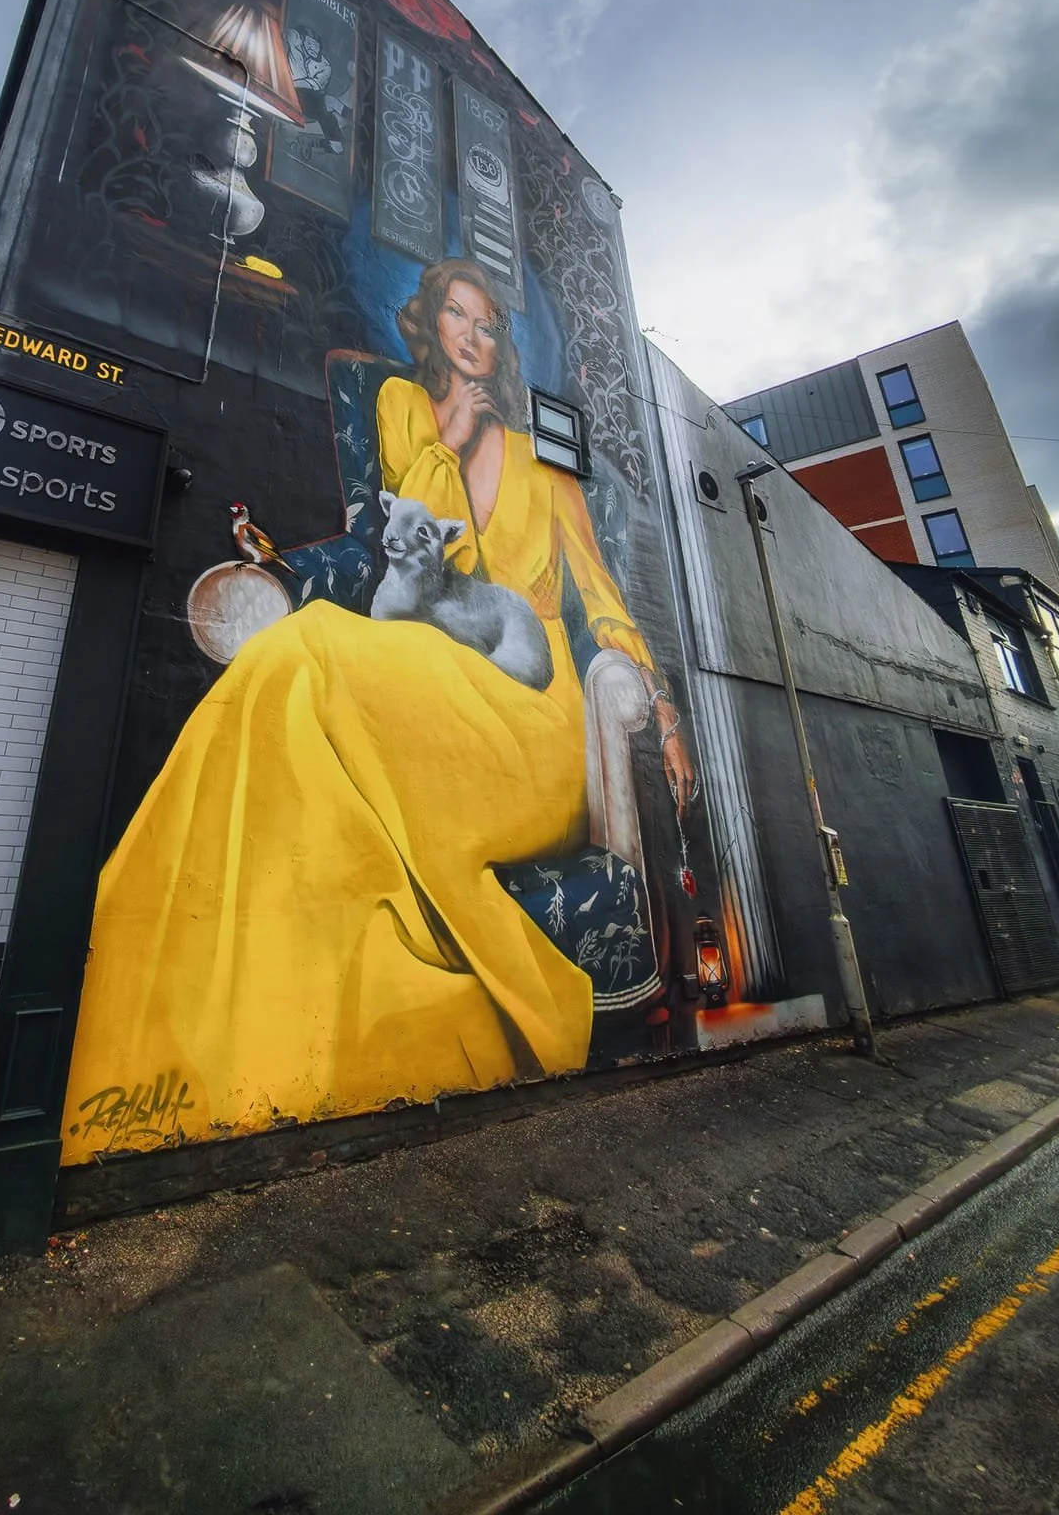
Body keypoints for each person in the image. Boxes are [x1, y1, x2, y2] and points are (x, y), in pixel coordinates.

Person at [61, 258, 695, 1161]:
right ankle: (212, 982)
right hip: (432, 649)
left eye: (488, 324)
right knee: (299, 651)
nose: (474, 337)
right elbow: (407, 546)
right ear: (429, 325)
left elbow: (600, 599)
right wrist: (449, 435)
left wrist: (662, 710)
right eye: (457, 317)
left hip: (531, 694)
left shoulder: (546, 466)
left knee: (315, 655)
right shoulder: (400, 406)